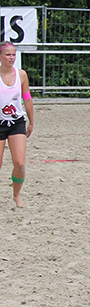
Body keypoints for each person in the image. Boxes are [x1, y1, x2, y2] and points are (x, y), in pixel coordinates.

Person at [0, 42, 34, 208]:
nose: (11, 58)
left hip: (17, 122)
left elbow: (27, 98)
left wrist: (31, 121)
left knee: (19, 163)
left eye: (13, 54)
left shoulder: (21, 75)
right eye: (8, 54)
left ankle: (16, 195)